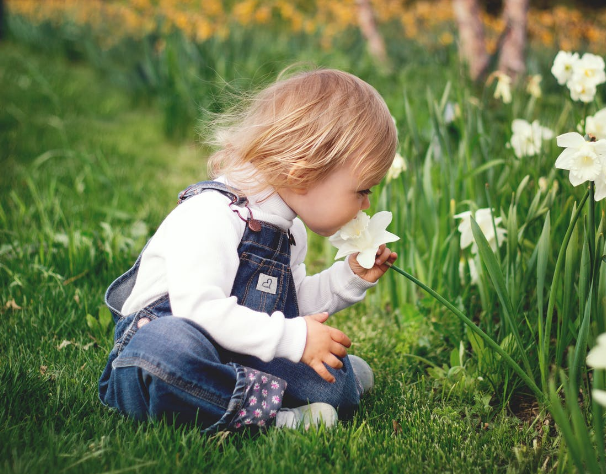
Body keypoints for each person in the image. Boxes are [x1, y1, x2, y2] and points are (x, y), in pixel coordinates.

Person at [98, 68, 399, 433]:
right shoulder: (212, 214)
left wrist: (347, 278)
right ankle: (273, 418)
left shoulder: (290, 230)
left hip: (236, 348)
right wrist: (294, 339)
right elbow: (198, 311)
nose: (366, 205)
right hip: (165, 351)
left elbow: (290, 305)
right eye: (362, 190)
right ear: (304, 171)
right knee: (167, 350)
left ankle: (325, 382)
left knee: (333, 383)